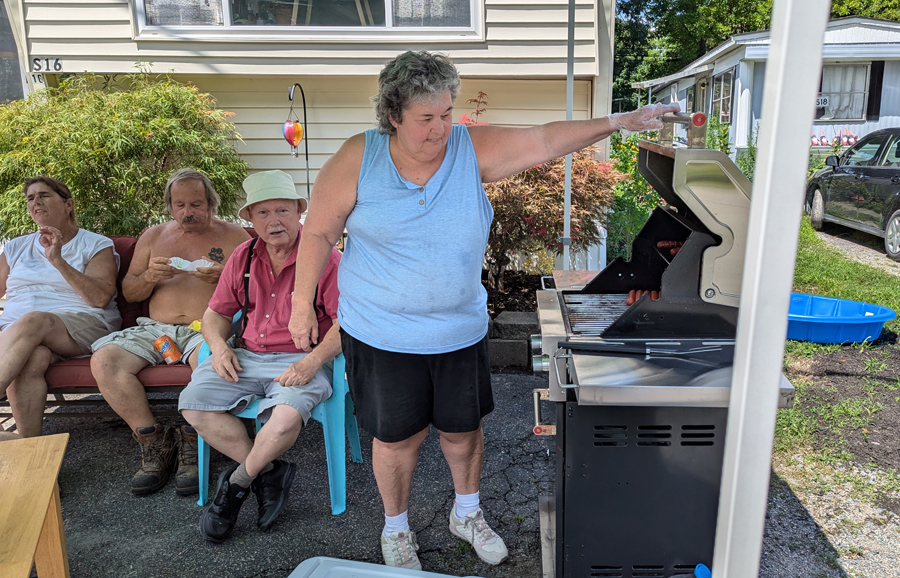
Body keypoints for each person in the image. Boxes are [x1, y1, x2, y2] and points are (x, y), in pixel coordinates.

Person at [288, 50, 679, 570]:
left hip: (458, 330)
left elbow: (543, 140)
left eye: (447, 113)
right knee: (397, 439)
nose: (439, 129)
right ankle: (397, 529)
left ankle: (466, 513)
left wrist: (620, 121)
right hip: (381, 333)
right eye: (426, 118)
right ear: (393, 116)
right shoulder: (359, 157)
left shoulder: (469, 150)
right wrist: (300, 303)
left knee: (462, 431)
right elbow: (316, 230)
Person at [179, 170, 342, 543]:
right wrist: (219, 347)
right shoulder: (243, 256)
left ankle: (235, 487)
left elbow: (344, 324)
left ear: (300, 211)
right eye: (263, 213)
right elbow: (217, 313)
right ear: (250, 219)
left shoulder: (325, 258)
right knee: (193, 405)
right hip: (247, 355)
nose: (274, 221)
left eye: (283, 210)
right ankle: (268, 469)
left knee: (283, 421)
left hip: (301, 359)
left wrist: (312, 363)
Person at [90, 168, 250, 496]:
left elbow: (260, 290)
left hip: (207, 325)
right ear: (170, 206)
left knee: (208, 363)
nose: (188, 213)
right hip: (155, 330)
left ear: (211, 203)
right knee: (106, 361)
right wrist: (148, 277)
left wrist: (224, 280)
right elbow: (130, 293)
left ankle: (193, 441)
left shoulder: (236, 238)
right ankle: (154, 442)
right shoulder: (152, 237)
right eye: (180, 205)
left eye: (196, 204)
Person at [0, 176, 120, 439]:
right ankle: (28, 450)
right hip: (18, 333)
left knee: (34, 320)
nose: (36, 202)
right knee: (33, 358)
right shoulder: (16, 247)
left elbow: (99, 298)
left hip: (81, 324)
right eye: (30, 198)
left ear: (68, 205)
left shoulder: (96, 244)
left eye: (44, 195)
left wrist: (57, 260)